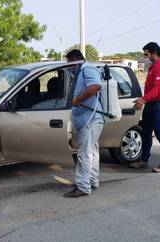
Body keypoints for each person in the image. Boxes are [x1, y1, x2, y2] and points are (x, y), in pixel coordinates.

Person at [64, 49, 104, 198]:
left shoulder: (88, 69)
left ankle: (82, 186)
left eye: (71, 63)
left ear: (77, 60)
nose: (70, 67)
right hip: (88, 118)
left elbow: (96, 86)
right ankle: (92, 181)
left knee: (84, 153)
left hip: (91, 118)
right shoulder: (80, 72)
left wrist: (77, 100)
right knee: (92, 152)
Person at [130, 42, 160, 173]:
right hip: (150, 105)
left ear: (154, 53)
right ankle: (144, 160)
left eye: (147, 54)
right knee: (146, 133)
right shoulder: (153, 66)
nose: (146, 57)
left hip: (159, 106)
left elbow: (158, 89)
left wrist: (144, 99)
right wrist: (144, 99)